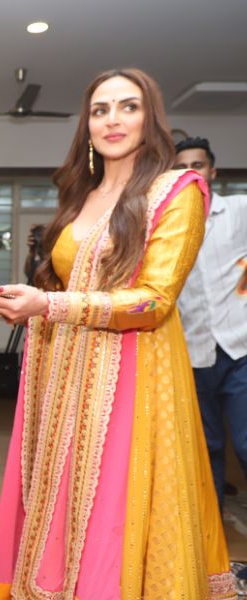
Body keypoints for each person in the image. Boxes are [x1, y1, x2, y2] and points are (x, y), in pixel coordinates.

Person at [0, 69, 234, 599]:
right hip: (64, 375)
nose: (112, 120)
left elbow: (154, 300)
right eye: (100, 110)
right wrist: (5, 302)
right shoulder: (83, 193)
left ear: (150, 118)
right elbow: (63, 285)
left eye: (128, 106)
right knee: (57, 495)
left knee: (110, 509)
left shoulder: (176, 191)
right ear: (87, 125)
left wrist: (49, 304)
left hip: (131, 378)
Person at [174, 137, 247, 511]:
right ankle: (211, 535)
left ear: (212, 172)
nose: (190, 172)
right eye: (181, 167)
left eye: (197, 165)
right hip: (194, 353)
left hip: (241, 349)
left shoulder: (238, 210)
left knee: (246, 445)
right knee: (207, 449)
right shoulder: (165, 226)